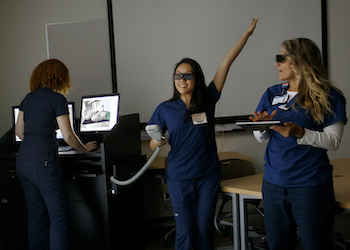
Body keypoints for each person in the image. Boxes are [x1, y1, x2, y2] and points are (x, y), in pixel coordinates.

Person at [148, 18, 258, 250]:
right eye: (178, 75)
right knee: (187, 234)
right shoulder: (165, 108)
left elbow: (226, 63)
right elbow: (152, 143)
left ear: (196, 78)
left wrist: (246, 35)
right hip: (180, 178)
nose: (182, 80)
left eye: (187, 75)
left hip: (207, 176)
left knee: (205, 230)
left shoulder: (207, 100)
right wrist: (157, 141)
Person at [250, 38, 347, 250]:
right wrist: (262, 125)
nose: (276, 63)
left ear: (299, 62)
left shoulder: (330, 96)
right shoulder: (272, 93)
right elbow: (261, 138)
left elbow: (333, 142)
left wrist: (300, 132)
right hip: (274, 183)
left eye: (280, 58)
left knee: (316, 244)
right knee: (278, 245)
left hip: (309, 184)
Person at [15, 59, 97, 250]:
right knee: (58, 217)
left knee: (36, 215)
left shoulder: (27, 99)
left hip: (23, 163)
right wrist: (85, 148)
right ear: (60, 77)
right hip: (44, 165)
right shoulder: (57, 99)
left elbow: (19, 132)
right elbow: (68, 136)